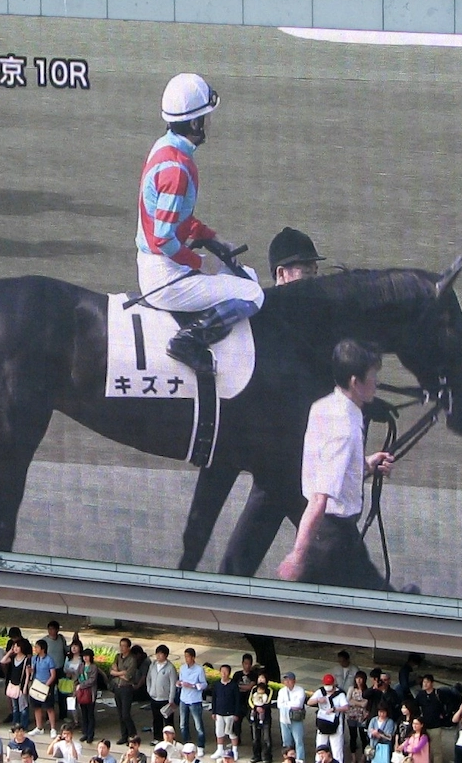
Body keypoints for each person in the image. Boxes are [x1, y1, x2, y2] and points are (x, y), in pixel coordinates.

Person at [135, 73, 262, 373]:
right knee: (253, 293)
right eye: (206, 117)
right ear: (194, 124)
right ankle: (189, 341)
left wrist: (213, 238)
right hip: (164, 276)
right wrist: (198, 262)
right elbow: (164, 239)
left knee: (248, 274)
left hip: (159, 265)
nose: (209, 123)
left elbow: (177, 218)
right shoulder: (177, 169)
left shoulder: (165, 147)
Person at [276, 341, 394, 590]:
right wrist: (297, 556)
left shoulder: (325, 407)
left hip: (336, 538)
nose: (377, 383)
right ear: (355, 382)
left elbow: (328, 468)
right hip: (333, 541)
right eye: (373, 377)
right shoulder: (345, 428)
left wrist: (366, 465)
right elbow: (320, 498)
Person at [105, 642, 140, 745]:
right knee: (120, 714)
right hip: (118, 687)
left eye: (124, 646)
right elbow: (111, 671)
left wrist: (118, 673)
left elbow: (128, 676)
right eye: (121, 645)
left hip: (126, 688)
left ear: (128, 647)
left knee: (125, 714)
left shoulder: (132, 659)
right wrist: (122, 672)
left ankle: (132, 735)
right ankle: (124, 736)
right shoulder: (117, 657)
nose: (122, 648)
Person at [303, 679, 343, 763]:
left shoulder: (340, 693)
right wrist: (318, 700)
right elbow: (309, 702)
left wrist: (335, 709)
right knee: (320, 746)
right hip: (322, 724)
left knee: (337, 749)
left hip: (335, 725)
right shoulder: (320, 691)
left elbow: (346, 707)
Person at [144, 649, 176, 745]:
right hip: (154, 697)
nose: (158, 656)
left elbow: (173, 684)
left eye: (160, 654)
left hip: (165, 698)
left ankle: (170, 740)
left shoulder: (170, 668)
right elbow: (148, 678)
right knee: (156, 719)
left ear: (165, 655)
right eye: (157, 654)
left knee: (168, 720)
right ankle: (157, 738)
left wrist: (171, 698)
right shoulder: (153, 665)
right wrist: (149, 690)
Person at [174, 652, 204, 749]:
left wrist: (193, 686)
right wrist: (178, 683)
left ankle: (200, 745)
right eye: (185, 657)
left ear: (193, 657)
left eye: (188, 656)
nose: (186, 659)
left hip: (195, 700)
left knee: (198, 725)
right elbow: (180, 681)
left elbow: (204, 684)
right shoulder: (182, 668)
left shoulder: (199, 670)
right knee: (183, 724)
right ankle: (186, 743)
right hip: (184, 698)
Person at [27, 642, 56, 738]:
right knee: (36, 707)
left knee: (49, 708)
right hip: (36, 685)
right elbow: (33, 672)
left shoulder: (49, 660)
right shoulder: (34, 658)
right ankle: (39, 727)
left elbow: (53, 675)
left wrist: (46, 685)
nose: (35, 648)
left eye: (37, 647)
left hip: (46, 685)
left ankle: (53, 728)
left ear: (42, 649)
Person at [208, 668, 236, 761]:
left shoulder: (233, 685)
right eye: (222, 671)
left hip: (230, 713)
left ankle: (234, 751)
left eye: (226, 671)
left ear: (229, 673)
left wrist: (236, 713)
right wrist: (214, 711)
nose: (224, 674)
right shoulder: (217, 684)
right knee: (219, 732)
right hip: (219, 713)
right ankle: (220, 749)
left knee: (231, 732)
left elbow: (237, 700)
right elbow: (214, 698)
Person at [273, 676, 303, 763]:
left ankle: (300, 760)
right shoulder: (282, 691)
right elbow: (279, 704)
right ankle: (287, 759)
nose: (287, 682)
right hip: (284, 719)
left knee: (298, 741)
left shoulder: (300, 690)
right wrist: (290, 705)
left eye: (289, 680)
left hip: (296, 719)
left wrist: (286, 704)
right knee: (286, 742)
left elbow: (298, 705)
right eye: (286, 680)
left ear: (294, 681)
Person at [71, 652, 96, 745]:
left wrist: (81, 685)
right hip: (81, 693)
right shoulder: (81, 666)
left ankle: (90, 734)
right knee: (84, 714)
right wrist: (75, 691)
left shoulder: (93, 667)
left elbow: (92, 680)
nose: (85, 658)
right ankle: (85, 732)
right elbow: (76, 678)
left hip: (90, 693)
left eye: (87, 656)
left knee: (90, 714)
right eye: (84, 656)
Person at [244, 678, 271, 763]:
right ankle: (256, 755)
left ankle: (267, 757)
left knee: (266, 738)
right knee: (255, 738)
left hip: (265, 717)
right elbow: (250, 700)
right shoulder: (254, 689)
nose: (261, 680)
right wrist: (255, 708)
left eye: (263, 678)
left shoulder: (269, 690)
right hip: (255, 715)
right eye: (259, 678)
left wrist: (263, 707)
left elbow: (269, 701)